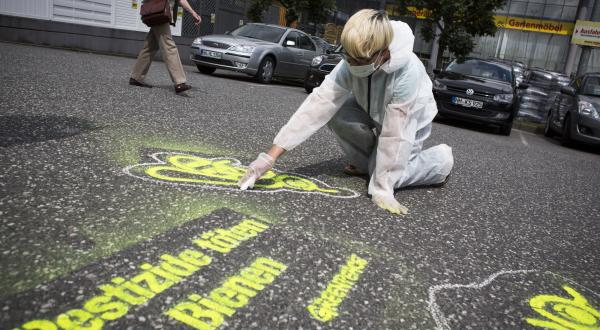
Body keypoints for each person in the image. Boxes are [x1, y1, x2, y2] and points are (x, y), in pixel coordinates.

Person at [237, 9, 454, 216]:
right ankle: (367, 165)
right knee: (338, 113)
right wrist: (269, 157)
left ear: (381, 54)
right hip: (370, 108)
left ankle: (440, 162)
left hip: (408, 123)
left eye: (357, 60)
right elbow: (318, 105)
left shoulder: (408, 73)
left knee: (384, 177)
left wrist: (383, 188)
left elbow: (396, 136)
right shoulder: (352, 61)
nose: (350, 64)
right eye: (347, 56)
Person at [129, 0, 201, 94]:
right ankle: (179, 82)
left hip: (156, 11)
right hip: (159, 12)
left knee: (150, 46)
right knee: (169, 46)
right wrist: (193, 13)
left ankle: (136, 77)